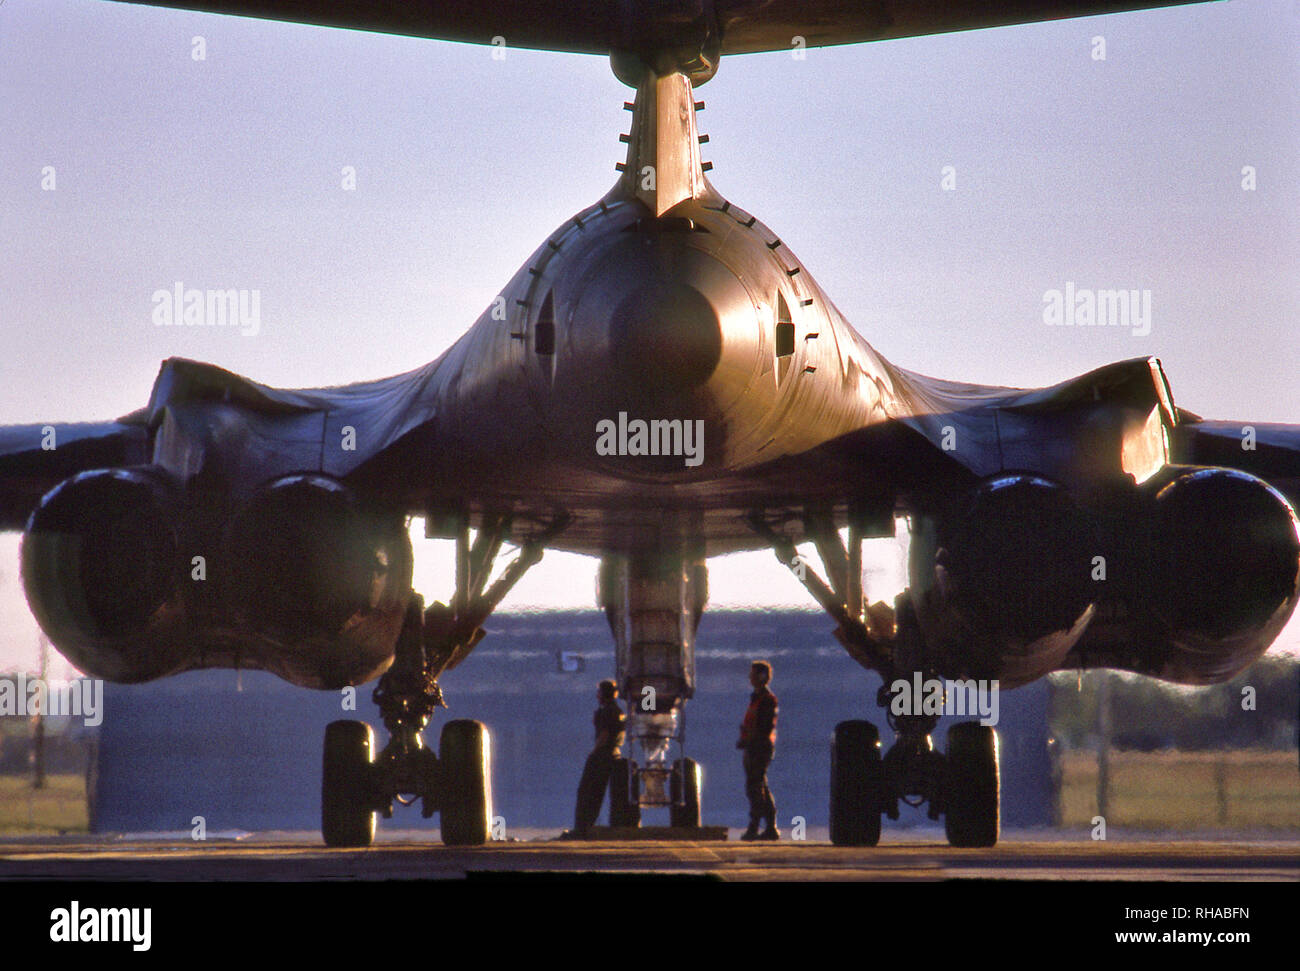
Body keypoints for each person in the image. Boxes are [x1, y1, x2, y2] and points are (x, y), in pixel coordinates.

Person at [567, 679, 626, 838]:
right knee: (598, 793)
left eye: (599, 692)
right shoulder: (619, 711)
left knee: (587, 791)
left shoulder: (606, 712)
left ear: (603, 694)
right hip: (615, 754)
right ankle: (589, 825)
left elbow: (604, 735)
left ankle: (582, 828)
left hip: (602, 755)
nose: (597, 695)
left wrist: (594, 752)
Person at [737, 660, 779, 840]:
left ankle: (754, 828)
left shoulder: (766, 700)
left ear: (761, 677)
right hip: (753, 747)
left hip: (758, 749)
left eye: (753, 674)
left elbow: (764, 728)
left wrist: (750, 740)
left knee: (754, 788)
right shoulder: (757, 698)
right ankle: (770, 828)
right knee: (760, 786)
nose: (750, 677)